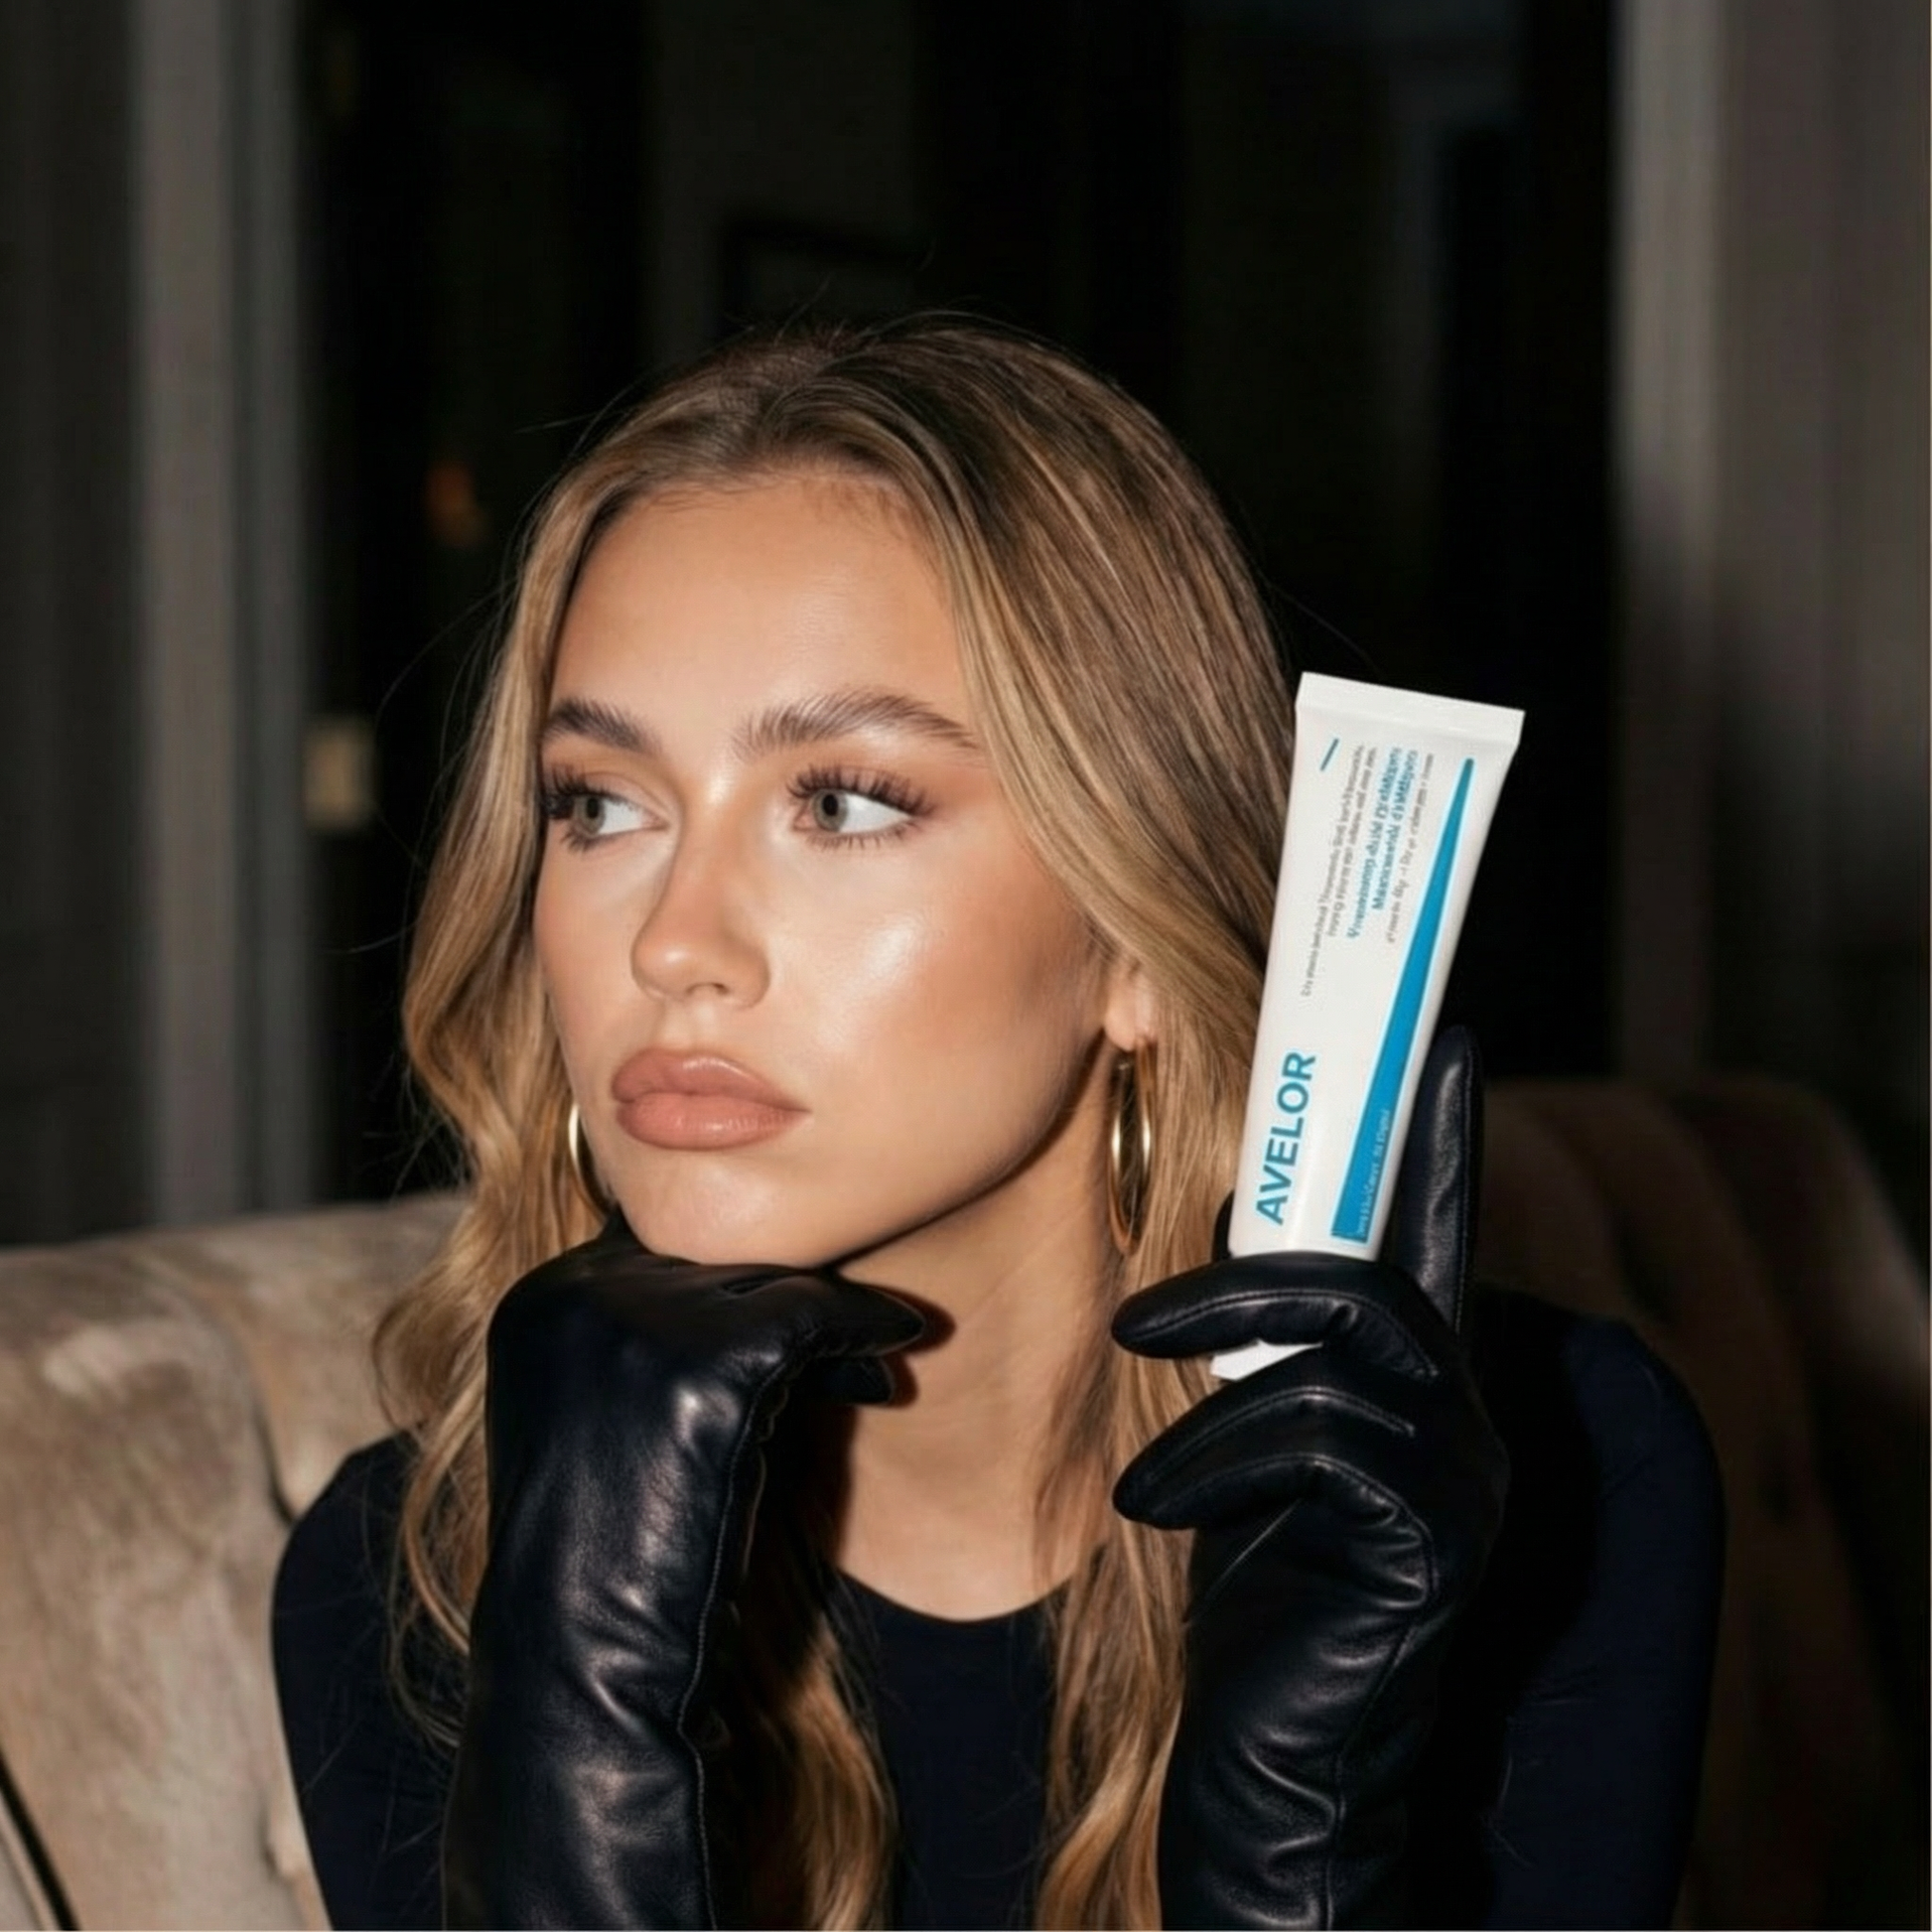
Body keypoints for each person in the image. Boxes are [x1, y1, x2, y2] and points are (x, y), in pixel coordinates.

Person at [272, 315, 1723, 1930]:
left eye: (841, 802)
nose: (670, 945)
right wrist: (575, 1720)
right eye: (600, 804)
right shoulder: (421, 1572)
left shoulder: (1531, 1484)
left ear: (1133, 936)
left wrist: (1294, 1846)